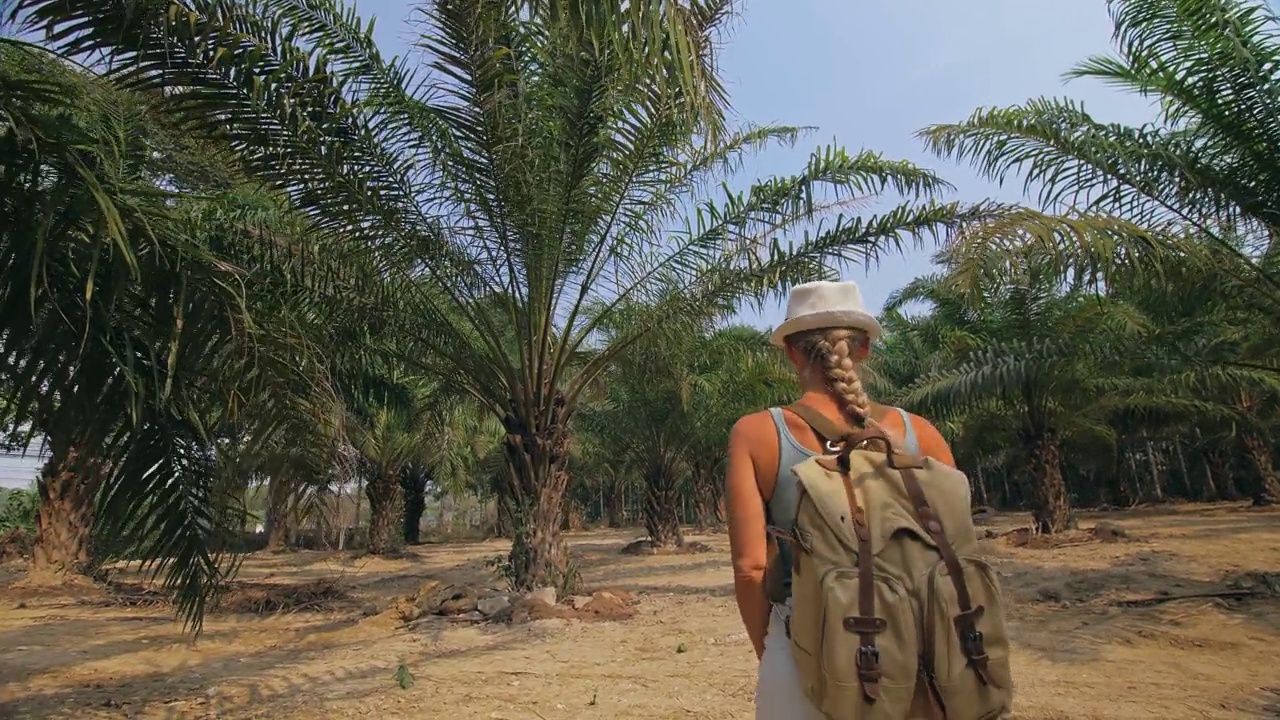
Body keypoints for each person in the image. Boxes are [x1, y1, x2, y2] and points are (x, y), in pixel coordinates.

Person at [724, 279, 959, 719]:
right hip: (917, 650)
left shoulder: (757, 434)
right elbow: (955, 552)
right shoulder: (921, 434)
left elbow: (750, 567)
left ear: (792, 353)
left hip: (806, 642)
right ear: (865, 348)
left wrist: (775, 651)